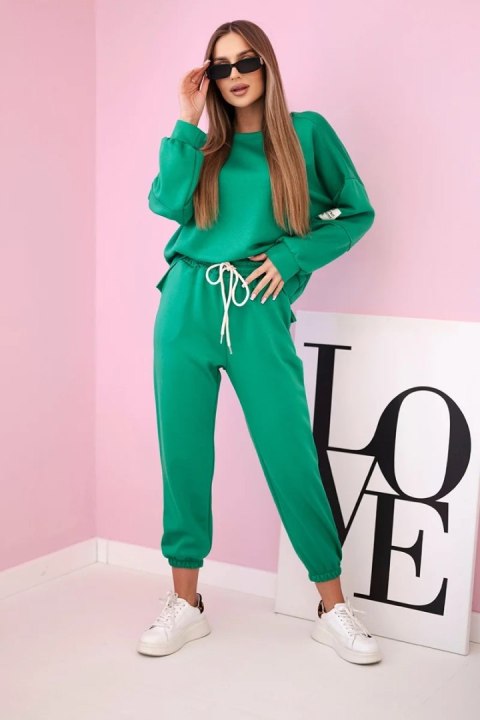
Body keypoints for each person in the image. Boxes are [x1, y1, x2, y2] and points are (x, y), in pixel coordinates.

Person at [137, 19, 382, 665]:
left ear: (267, 65)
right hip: (186, 304)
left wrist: (294, 255)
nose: (235, 75)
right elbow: (166, 202)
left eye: (246, 61)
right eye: (221, 66)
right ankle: (185, 603)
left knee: (289, 452)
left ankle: (332, 607)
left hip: (255, 307)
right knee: (183, 455)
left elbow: (356, 212)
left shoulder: (307, 133)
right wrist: (187, 117)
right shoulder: (204, 147)